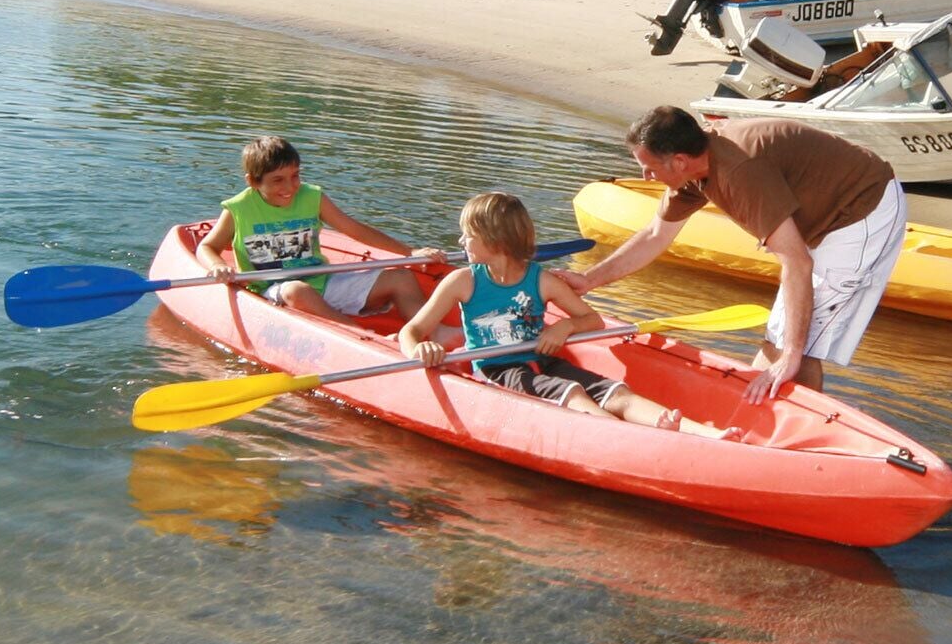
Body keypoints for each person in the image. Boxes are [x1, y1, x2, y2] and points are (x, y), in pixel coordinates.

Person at [566, 106, 904, 404]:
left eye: (650, 168)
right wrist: (587, 280)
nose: (646, 176)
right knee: (778, 342)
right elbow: (655, 236)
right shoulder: (691, 172)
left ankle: (795, 433)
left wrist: (791, 354)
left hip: (862, 210)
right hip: (822, 213)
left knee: (798, 349)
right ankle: (753, 414)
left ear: (679, 161)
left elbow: (797, 262)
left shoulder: (740, 172)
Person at [398, 192, 717, 434]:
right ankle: (636, 440)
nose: (460, 241)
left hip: (543, 361)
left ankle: (703, 433)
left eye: (467, 234)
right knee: (573, 394)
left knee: (617, 392)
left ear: (494, 240)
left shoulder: (542, 280)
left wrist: (563, 327)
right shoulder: (463, 281)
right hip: (497, 370)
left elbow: (592, 320)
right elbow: (411, 331)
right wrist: (418, 351)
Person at [192, 134, 438, 326]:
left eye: (295, 175)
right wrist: (217, 265)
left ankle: (426, 333)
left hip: (321, 280)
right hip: (273, 289)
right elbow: (207, 247)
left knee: (402, 278)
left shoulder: (312, 197)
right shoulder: (238, 209)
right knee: (299, 290)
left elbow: (354, 229)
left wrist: (410, 252)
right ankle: (362, 336)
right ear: (253, 181)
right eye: (278, 180)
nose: (290, 187)